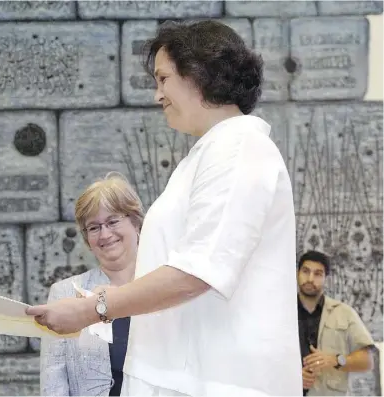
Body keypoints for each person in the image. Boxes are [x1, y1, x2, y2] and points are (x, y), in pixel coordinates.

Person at [27, 20, 302, 396]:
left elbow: (197, 271)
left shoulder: (238, 148)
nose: (158, 95)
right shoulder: (209, 153)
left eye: (163, 79)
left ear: (198, 73)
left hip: (217, 381)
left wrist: (94, 309)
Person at [40, 173, 144, 396]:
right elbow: (53, 383)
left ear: (136, 222)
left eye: (113, 221)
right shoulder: (65, 292)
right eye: (94, 227)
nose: (105, 234)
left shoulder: (164, 287)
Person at [296, 250, 375, 395]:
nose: (310, 278)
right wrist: (292, 376)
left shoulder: (345, 313)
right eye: (306, 271)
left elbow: (367, 362)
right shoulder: (280, 314)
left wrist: (336, 360)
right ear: (297, 273)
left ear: (326, 278)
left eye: (318, 274)